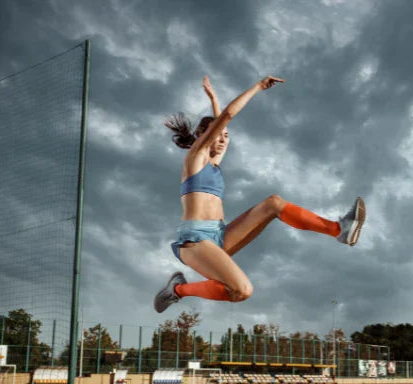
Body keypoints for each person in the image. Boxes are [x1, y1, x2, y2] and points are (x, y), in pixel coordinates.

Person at [154, 76, 366, 312]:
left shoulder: (214, 162)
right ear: (204, 136)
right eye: (219, 135)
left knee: (273, 203)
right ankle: (177, 290)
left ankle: (339, 230)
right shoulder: (196, 158)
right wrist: (256, 87)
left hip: (220, 236)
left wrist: (214, 101)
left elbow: (223, 123)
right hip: (194, 241)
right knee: (242, 291)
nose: (223, 141)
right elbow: (226, 117)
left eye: (226, 137)